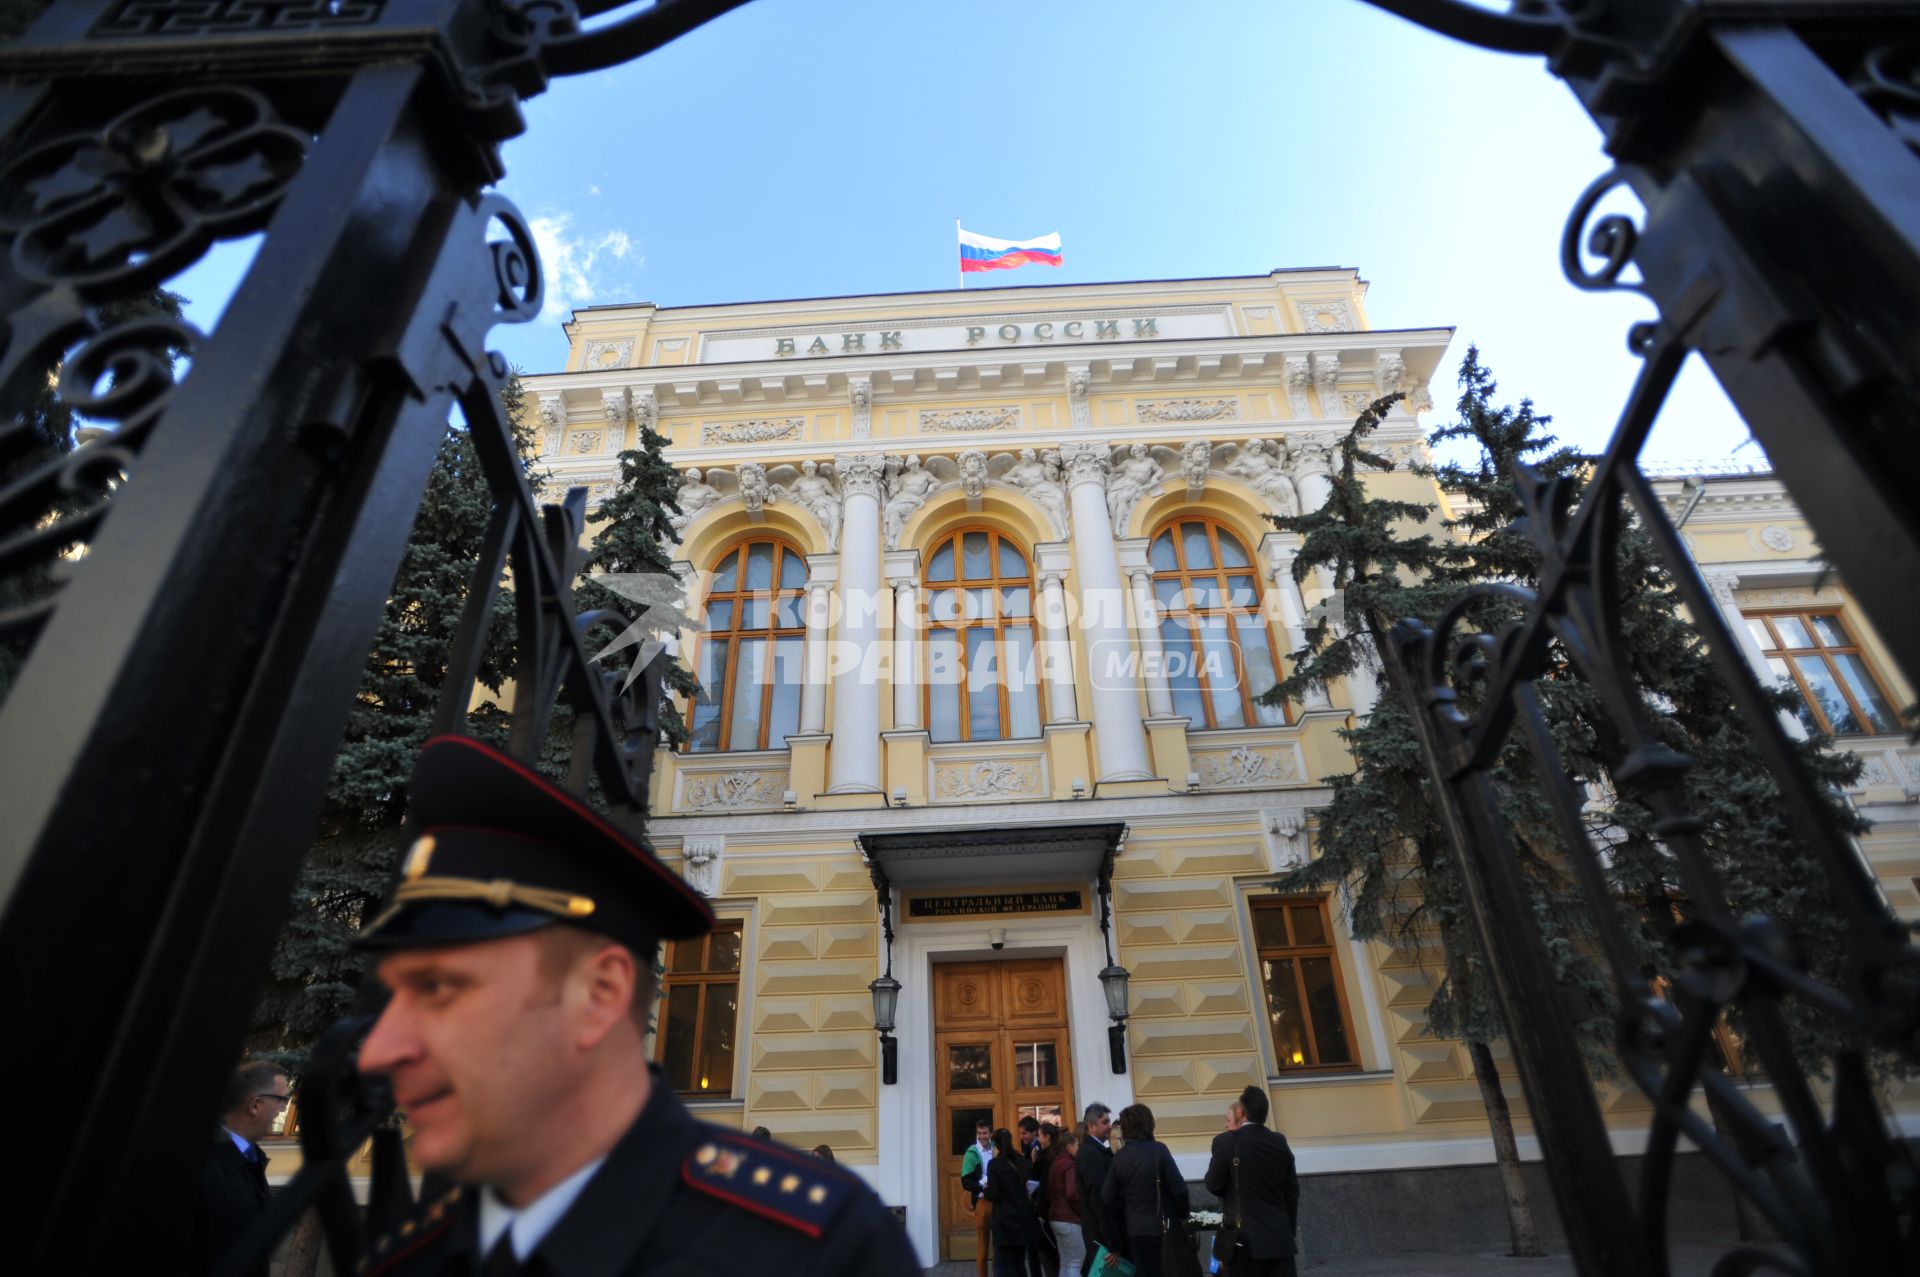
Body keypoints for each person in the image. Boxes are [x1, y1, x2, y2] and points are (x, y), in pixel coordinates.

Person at [352, 736, 915, 1275]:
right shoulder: (410, 1258)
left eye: (440, 990)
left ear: (600, 996)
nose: (378, 1050)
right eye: (394, 993)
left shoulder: (823, 1251)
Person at [187, 1058, 289, 1277]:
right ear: (255, 1105)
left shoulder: (250, 1161)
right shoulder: (203, 1166)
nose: (282, 1110)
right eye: (282, 1100)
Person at [1203, 1086, 1301, 1277]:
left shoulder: (1225, 1142)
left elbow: (1213, 1184)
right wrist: (1287, 1229)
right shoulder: (1279, 1141)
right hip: (1279, 1240)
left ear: (1241, 1112)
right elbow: (1292, 1191)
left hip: (1244, 1242)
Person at [1100, 1104, 1190, 1277]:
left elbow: (1106, 1198)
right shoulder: (1159, 1150)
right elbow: (1179, 1189)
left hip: (1135, 1230)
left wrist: (1115, 1239)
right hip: (1164, 1227)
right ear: (1148, 1124)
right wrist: (1183, 1215)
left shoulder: (1119, 1157)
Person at [982, 1128, 1038, 1277]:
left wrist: (986, 1188)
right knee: (1019, 1263)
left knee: (1003, 1264)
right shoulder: (1021, 1160)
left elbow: (994, 1193)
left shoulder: (995, 1164)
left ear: (996, 1145)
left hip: (1004, 1221)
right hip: (1022, 1219)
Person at [1075, 1102, 1114, 1260]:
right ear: (1091, 1126)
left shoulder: (1095, 1150)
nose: (1110, 1126)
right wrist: (1112, 1242)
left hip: (1099, 1231)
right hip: (1101, 1234)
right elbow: (1098, 1198)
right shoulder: (1091, 1153)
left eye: (1109, 1121)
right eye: (1105, 1122)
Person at [1047, 1129, 1086, 1277]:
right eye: (1076, 1145)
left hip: (1055, 1217)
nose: (1078, 1149)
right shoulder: (1069, 1164)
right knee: (1076, 1262)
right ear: (1069, 1145)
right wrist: (1080, 1211)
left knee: (1065, 1263)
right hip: (1069, 1218)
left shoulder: (1056, 1162)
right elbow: (1072, 1193)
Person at [961, 1117, 996, 1277]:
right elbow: (966, 1182)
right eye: (979, 1133)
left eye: (985, 1133)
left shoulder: (996, 1149)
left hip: (997, 1201)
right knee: (983, 1246)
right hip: (982, 1201)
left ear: (991, 1133)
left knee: (998, 1244)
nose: (982, 1136)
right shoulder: (972, 1153)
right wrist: (982, 1185)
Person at [1030, 1125, 1062, 1277]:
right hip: (1057, 1209)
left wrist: (1040, 1211)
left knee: (1049, 1255)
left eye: (1040, 1135)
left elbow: (1042, 1184)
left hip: (1048, 1210)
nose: (1038, 1139)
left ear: (1047, 1137)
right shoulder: (1055, 1153)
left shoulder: (1047, 1156)